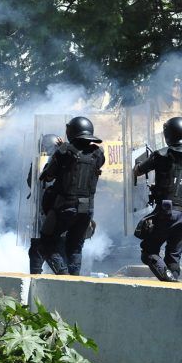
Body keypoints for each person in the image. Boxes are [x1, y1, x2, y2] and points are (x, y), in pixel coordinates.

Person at [134, 117, 182, 282]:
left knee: (148, 251)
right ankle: (173, 285)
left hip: (166, 213)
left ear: (169, 134)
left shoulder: (162, 155)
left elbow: (138, 171)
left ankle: (169, 279)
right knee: (173, 258)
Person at [38, 117, 104, 276]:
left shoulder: (64, 152)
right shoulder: (98, 154)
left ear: (71, 132)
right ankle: (74, 281)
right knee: (75, 248)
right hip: (87, 209)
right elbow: (82, 159)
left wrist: (60, 151)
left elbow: (48, 176)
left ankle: (63, 274)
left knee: (46, 241)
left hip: (65, 207)